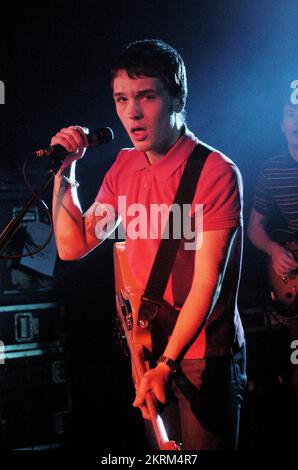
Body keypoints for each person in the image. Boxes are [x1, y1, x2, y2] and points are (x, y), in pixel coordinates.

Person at [51, 39, 246, 450]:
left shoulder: (214, 171)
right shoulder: (124, 167)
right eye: (121, 99)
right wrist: (65, 174)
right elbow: (73, 245)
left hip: (200, 355)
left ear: (176, 97)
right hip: (148, 348)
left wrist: (169, 362)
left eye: (147, 97)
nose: (131, 113)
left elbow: (207, 283)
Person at [247, 98, 298, 420]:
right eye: (291, 114)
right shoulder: (272, 170)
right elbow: (254, 229)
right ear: (281, 124)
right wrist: (275, 250)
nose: (296, 121)